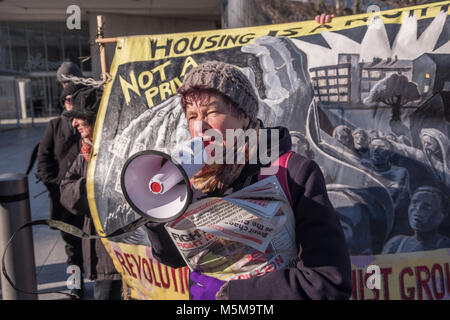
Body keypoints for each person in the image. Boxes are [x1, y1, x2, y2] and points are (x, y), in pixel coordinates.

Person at [145, 61, 351, 300]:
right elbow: (172, 257)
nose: (200, 127)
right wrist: (157, 213)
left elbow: (328, 282)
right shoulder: (193, 180)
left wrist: (236, 295)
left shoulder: (294, 173)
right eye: (192, 116)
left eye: (211, 112)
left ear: (243, 115)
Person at [60, 87, 123, 300]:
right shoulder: (87, 150)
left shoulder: (120, 148)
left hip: (122, 254)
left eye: (80, 118)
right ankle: (74, 286)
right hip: (99, 254)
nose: (74, 123)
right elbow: (66, 189)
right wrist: (93, 186)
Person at [36, 81, 86, 299]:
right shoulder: (54, 125)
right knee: (72, 249)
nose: (71, 103)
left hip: (89, 199)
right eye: (68, 99)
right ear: (62, 102)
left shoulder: (89, 121)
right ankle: (75, 284)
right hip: (65, 201)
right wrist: (56, 189)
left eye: (76, 98)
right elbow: (43, 161)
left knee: (95, 245)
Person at [382, 186, 450, 253]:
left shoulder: (445, 245)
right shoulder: (396, 243)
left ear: (441, 215)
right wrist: (371, 259)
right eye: (414, 203)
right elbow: (377, 263)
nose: (418, 209)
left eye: (427, 206)